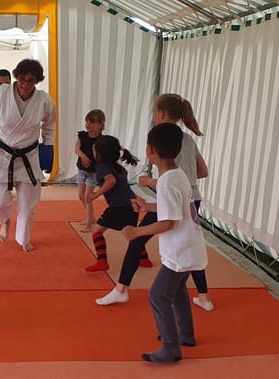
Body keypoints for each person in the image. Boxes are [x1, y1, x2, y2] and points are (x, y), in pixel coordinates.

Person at [96, 94, 208, 307]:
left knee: (138, 239)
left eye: (154, 112)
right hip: (192, 198)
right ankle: (204, 297)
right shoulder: (187, 139)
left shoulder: (162, 139)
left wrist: (150, 181)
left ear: (161, 114)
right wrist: (178, 184)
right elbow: (202, 171)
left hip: (173, 198)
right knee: (190, 242)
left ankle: (121, 289)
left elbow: (172, 180)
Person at [121, 123, 207, 363]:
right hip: (190, 247)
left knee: (158, 296)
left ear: (150, 150)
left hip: (180, 251)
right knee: (177, 291)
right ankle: (186, 335)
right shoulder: (179, 175)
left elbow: (168, 222)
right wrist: (147, 207)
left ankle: (171, 348)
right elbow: (174, 209)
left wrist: (137, 232)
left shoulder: (167, 182)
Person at [0, 59, 56, 252]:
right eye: (22, 79)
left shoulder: (44, 100)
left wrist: (48, 145)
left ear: (37, 81)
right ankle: (5, 221)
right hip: (3, 153)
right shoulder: (3, 93)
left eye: (31, 80)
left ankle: (23, 238)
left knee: (28, 204)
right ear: (16, 77)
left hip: (29, 155)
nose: (25, 84)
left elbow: (49, 124)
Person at [83, 135, 139, 272]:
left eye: (94, 149)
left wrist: (95, 194)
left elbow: (111, 181)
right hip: (132, 204)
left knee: (97, 232)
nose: (93, 151)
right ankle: (144, 259)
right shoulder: (119, 167)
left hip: (118, 207)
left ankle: (102, 262)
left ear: (100, 153)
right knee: (131, 233)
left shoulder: (102, 167)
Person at [74, 109, 105, 233]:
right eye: (87, 122)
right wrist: (83, 156)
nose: (88, 125)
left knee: (88, 197)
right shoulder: (82, 136)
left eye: (91, 122)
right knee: (81, 195)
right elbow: (76, 149)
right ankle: (91, 218)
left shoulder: (101, 140)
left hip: (93, 172)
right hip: (82, 170)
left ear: (100, 125)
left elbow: (103, 156)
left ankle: (89, 225)